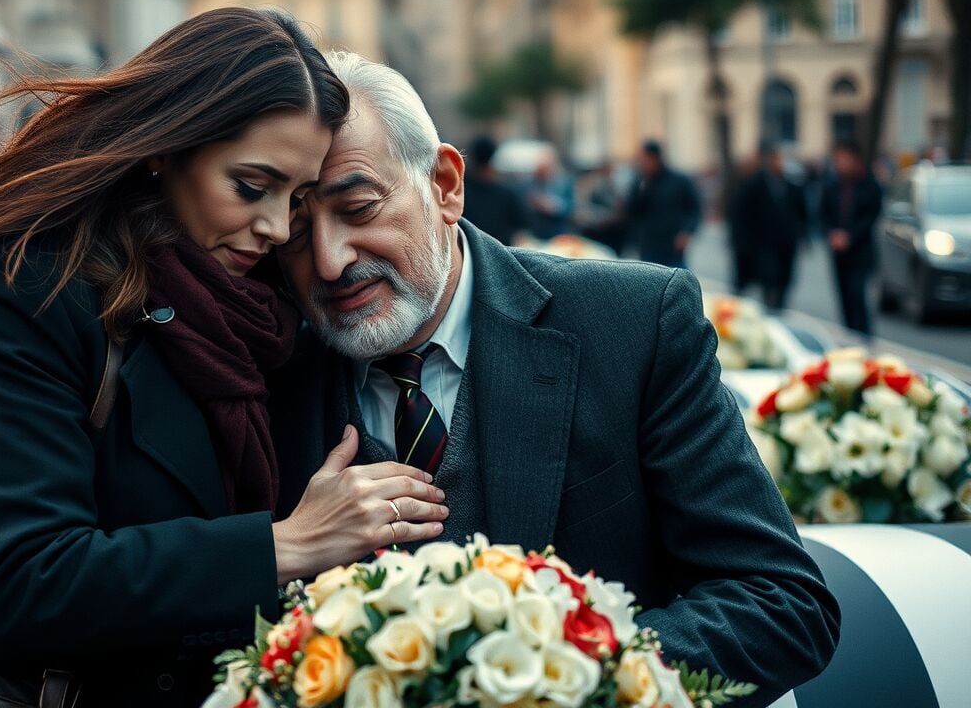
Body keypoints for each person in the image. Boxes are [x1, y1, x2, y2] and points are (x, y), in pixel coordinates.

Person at [0, 8, 448, 707]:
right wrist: (287, 544)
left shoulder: (270, 298)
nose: (277, 227)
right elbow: (17, 586)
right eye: (251, 186)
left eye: (295, 199)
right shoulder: (36, 284)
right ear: (168, 147)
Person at [271, 52, 839, 708]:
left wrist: (562, 678)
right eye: (295, 232)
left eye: (360, 208)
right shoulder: (267, 373)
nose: (329, 260)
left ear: (445, 186)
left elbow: (780, 603)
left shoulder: (633, 324)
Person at [731, 143, 808, 311]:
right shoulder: (754, 184)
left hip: (787, 243)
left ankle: (779, 306)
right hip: (764, 243)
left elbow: (802, 213)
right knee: (768, 278)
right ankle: (771, 308)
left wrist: (803, 235)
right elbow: (741, 214)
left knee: (785, 278)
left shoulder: (792, 185)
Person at [820, 140, 882, 336]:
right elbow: (823, 213)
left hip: (859, 250)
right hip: (838, 251)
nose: (840, 163)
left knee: (857, 294)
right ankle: (849, 335)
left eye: (843, 159)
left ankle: (863, 335)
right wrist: (832, 234)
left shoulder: (869, 184)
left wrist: (850, 236)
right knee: (844, 296)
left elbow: (870, 216)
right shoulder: (832, 185)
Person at [626, 139, 701, 267]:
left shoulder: (679, 180)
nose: (643, 163)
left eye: (646, 159)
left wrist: (687, 232)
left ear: (656, 158)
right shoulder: (641, 182)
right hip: (649, 247)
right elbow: (632, 212)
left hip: (673, 246)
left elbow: (694, 209)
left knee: (678, 276)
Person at [460, 136, 525, 245]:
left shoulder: (460, 192)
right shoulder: (506, 192)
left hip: (470, 248)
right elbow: (522, 225)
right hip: (500, 248)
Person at [523, 149, 573, 239]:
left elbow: (570, 208)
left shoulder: (564, 182)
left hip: (557, 232)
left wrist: (553, 207)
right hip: (535, 232)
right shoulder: (530, 182)